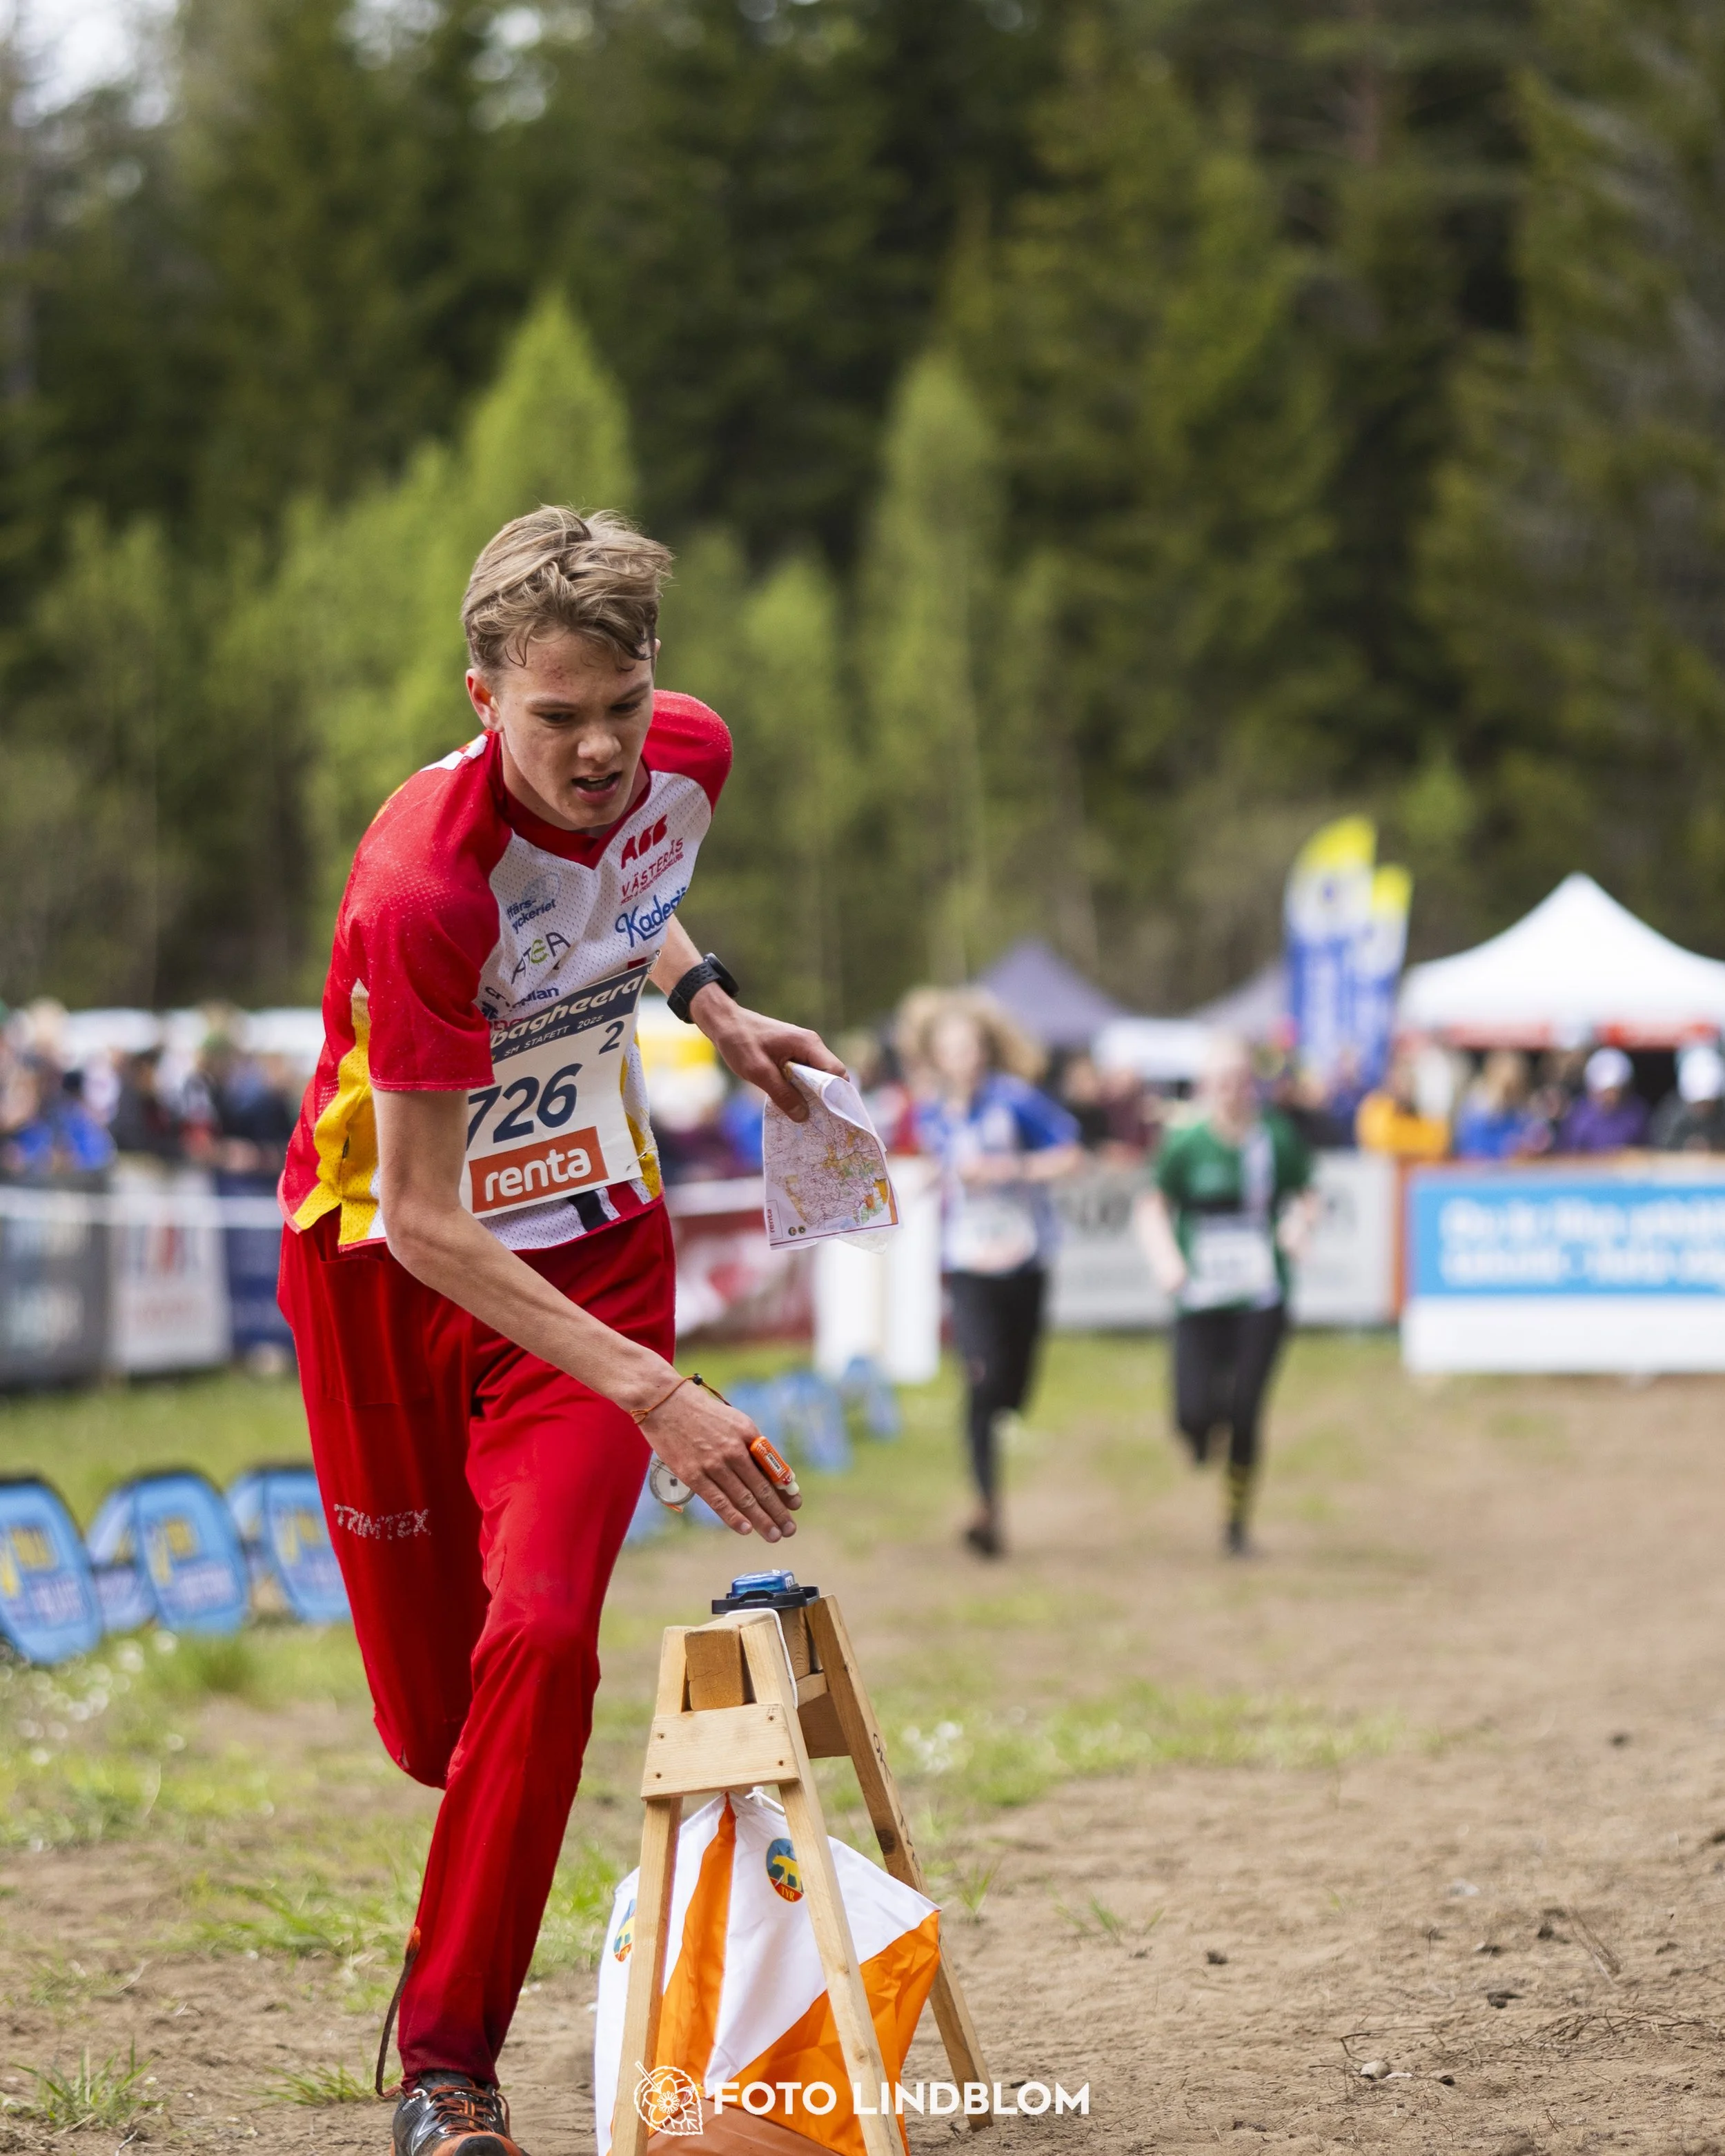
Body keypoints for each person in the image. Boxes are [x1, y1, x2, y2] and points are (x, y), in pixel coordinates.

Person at [275, 507, 845, 2156]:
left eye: (623, 703)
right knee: (438, 1730)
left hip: (589, 1262)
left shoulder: (688, 758)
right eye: (555, 718)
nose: (600, 748)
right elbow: (431, 1218)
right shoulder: (417, 893)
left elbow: (624, 885)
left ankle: (446, 2071)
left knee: (540, 1638)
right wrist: (671, 1401)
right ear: (480, 697)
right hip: (391, 1264)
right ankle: (475, 1855)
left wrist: (711, 1005)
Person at [901, 989, 1081, 1559]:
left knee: (1011, 1387)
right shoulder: (928, 1111)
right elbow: (929, 1164)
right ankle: (986, 1508)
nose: (963, 1059)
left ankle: (1003, 1407)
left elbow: (1071, 1153)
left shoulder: (1017, 1101)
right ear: (936, 1056)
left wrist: (1013, 1167)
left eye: (972, 1047)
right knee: (979, 1377)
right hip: (968, 1261)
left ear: (986, 1050)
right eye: (951, 1049)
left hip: (1025, 1258)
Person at [1134, 1036, 1318, 1556]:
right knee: (1192, 1411)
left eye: (1241, 1080)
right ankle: (1198, 1436)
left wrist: (1300, 1225)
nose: (1233, 1092)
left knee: (1245, 1408)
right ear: (1205, 1087)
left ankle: (1236, 1522)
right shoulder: (1185, 1142)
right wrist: (1166, 1260)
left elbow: (1307, 1194)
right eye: (1222, 1082)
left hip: (1261, 1294)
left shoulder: (1274, 1139)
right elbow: (1152, 1206)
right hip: (1199, 1294)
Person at [1354, 1049, 1449, 1160]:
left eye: (1407, 1079)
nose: (1402, 1086)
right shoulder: (1376, 1108)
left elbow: (1436, 1145)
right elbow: (1378, 1143)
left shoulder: (1426, 1114)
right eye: (1398, 1080)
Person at [1557, 1046, 1648, 1153]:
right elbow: (1568, 1155)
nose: (1611, 1097)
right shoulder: (1580, 1116)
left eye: (1615, 1091)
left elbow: (1645, 1150)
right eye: (1606, 1091)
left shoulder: (1636, 1114)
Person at [1452, 1050, 1534, 1161]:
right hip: (1480, 1168)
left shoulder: (1520, 1107)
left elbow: (1527, 1136)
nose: (1510, 1089)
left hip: (1511, 1170)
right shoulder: (1478, 1103)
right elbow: (1472, 1146)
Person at [1652, 1043, 1725, 1152]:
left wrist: (1716, 1145)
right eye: (1698, 1103)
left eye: (1708, 1102)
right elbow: (1661, 1142)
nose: (1703, 1107)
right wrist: (1685, 1145)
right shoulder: (1672, 1114)